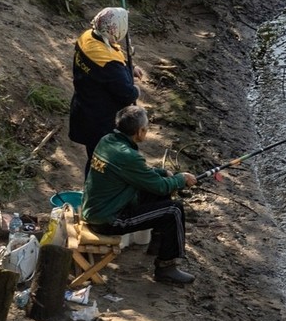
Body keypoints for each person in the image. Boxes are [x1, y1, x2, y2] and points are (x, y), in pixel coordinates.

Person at [81, 105, 203, 284]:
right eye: (146, 128)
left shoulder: (108, 140)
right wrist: (180, 179)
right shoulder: (128, 156)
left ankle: (158, 246)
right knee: (174, 210)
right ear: (140, 132)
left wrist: (163, 173)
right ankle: (166, 268)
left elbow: (140, 174)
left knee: (158, 195)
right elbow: (161, 187)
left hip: (97, 208)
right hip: (108, 219)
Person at [69, 6, 136, 160]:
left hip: (82, 110)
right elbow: (127, 94)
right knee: (101, 162)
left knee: (94, 157)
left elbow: (104, 68)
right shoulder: (109, 64)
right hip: (100, 122)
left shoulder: (87, 38)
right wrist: (136, 90)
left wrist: (128, 67)